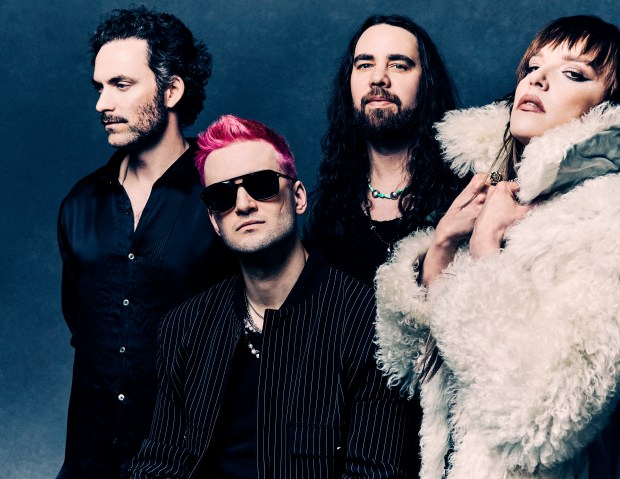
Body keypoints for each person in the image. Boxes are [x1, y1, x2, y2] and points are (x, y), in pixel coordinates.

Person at [374, 15, 620, 478]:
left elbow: (541, 421)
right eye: (533, 67)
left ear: (609, 108)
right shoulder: (496, 198)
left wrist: (486, 250)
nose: (537, 79)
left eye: (573, 73)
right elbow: (405, 375)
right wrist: (443, 245)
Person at [129, 115, 420, 478]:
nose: (243, 204)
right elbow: (160, 464)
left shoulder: (366, 321)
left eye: (261, 185)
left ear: (298, 197)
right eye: (222, 196)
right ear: (215, 221)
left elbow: (374, 474)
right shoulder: (184, 327)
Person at [57, 7, 234, 478]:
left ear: (171, 90)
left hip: (192, 464)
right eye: (99, 87)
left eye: (121, 84)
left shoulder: (226, 197)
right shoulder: (79, 204)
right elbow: (82, 324)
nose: (102, 103)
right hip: (90, 463)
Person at [308, 14, 466, 285]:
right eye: (365, 64)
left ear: (426, 83)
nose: (378, 78)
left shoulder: (463, 195)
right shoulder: (328, 213)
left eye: (398, 65)